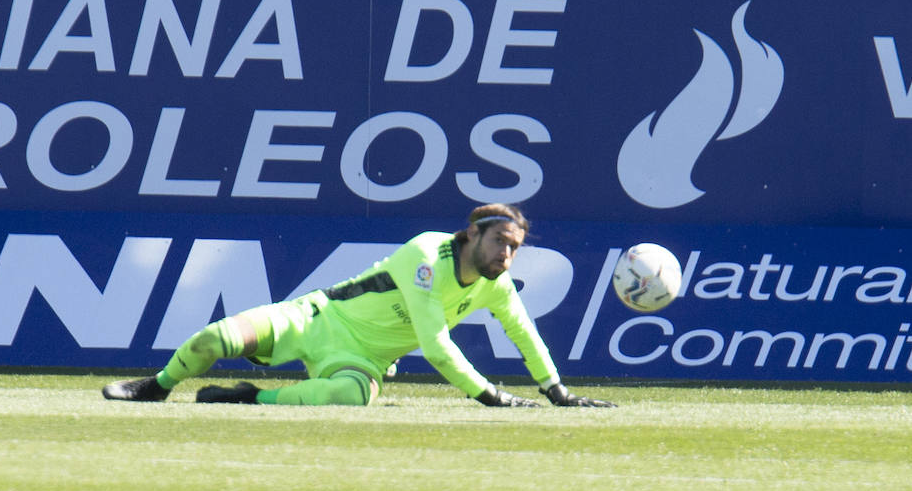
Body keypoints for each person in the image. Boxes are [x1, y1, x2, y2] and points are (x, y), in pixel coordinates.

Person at [104, 203, 614, 408]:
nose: (506, 254)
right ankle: (156, 387)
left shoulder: (495, 284)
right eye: (500, 241)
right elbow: (436, 347)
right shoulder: (426, 255)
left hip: (362, 360)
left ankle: (245, 397)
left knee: (349, 398)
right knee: (213, 340)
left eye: (514, 247)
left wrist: (557, 392)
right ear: (471, 233)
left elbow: (525, 334)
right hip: (316, 318)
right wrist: (489, 396)